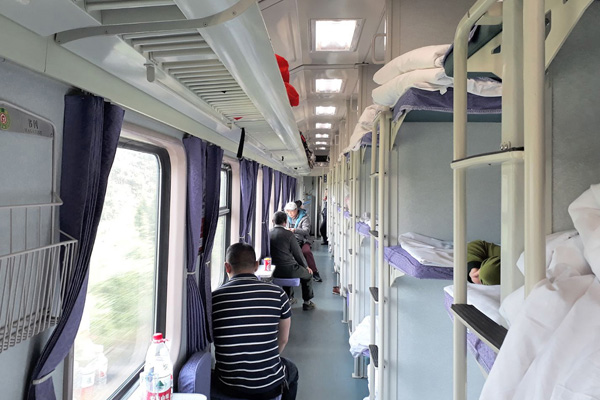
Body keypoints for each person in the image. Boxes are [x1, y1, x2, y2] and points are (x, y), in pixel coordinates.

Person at [211, 243, 299, 400]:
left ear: (227, 267)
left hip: (228, 387)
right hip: (268, 388)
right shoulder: (278, 294)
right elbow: (283, 339)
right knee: (291, 370)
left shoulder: (213, 298)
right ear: (257, 265)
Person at [269, 211, 317, 310]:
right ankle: (307, 302)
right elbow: (298, 253)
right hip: (289, 268)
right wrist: (306, 267)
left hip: (273, 269)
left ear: (273, 221)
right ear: (285, 222)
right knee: (308, 275)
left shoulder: (268, 233)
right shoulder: (289, 234)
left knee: (288, 271)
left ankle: (289, 298)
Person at [284, 201, 323, 282]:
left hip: (304, 239)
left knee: (306, 251)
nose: (290, 213)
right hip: (291, 239)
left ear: (296, 209)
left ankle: (315, 272)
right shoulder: (286, 218)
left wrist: (295, 230)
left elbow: (306, 231)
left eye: (292, 211)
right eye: (288, 211)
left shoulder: (304, 217)